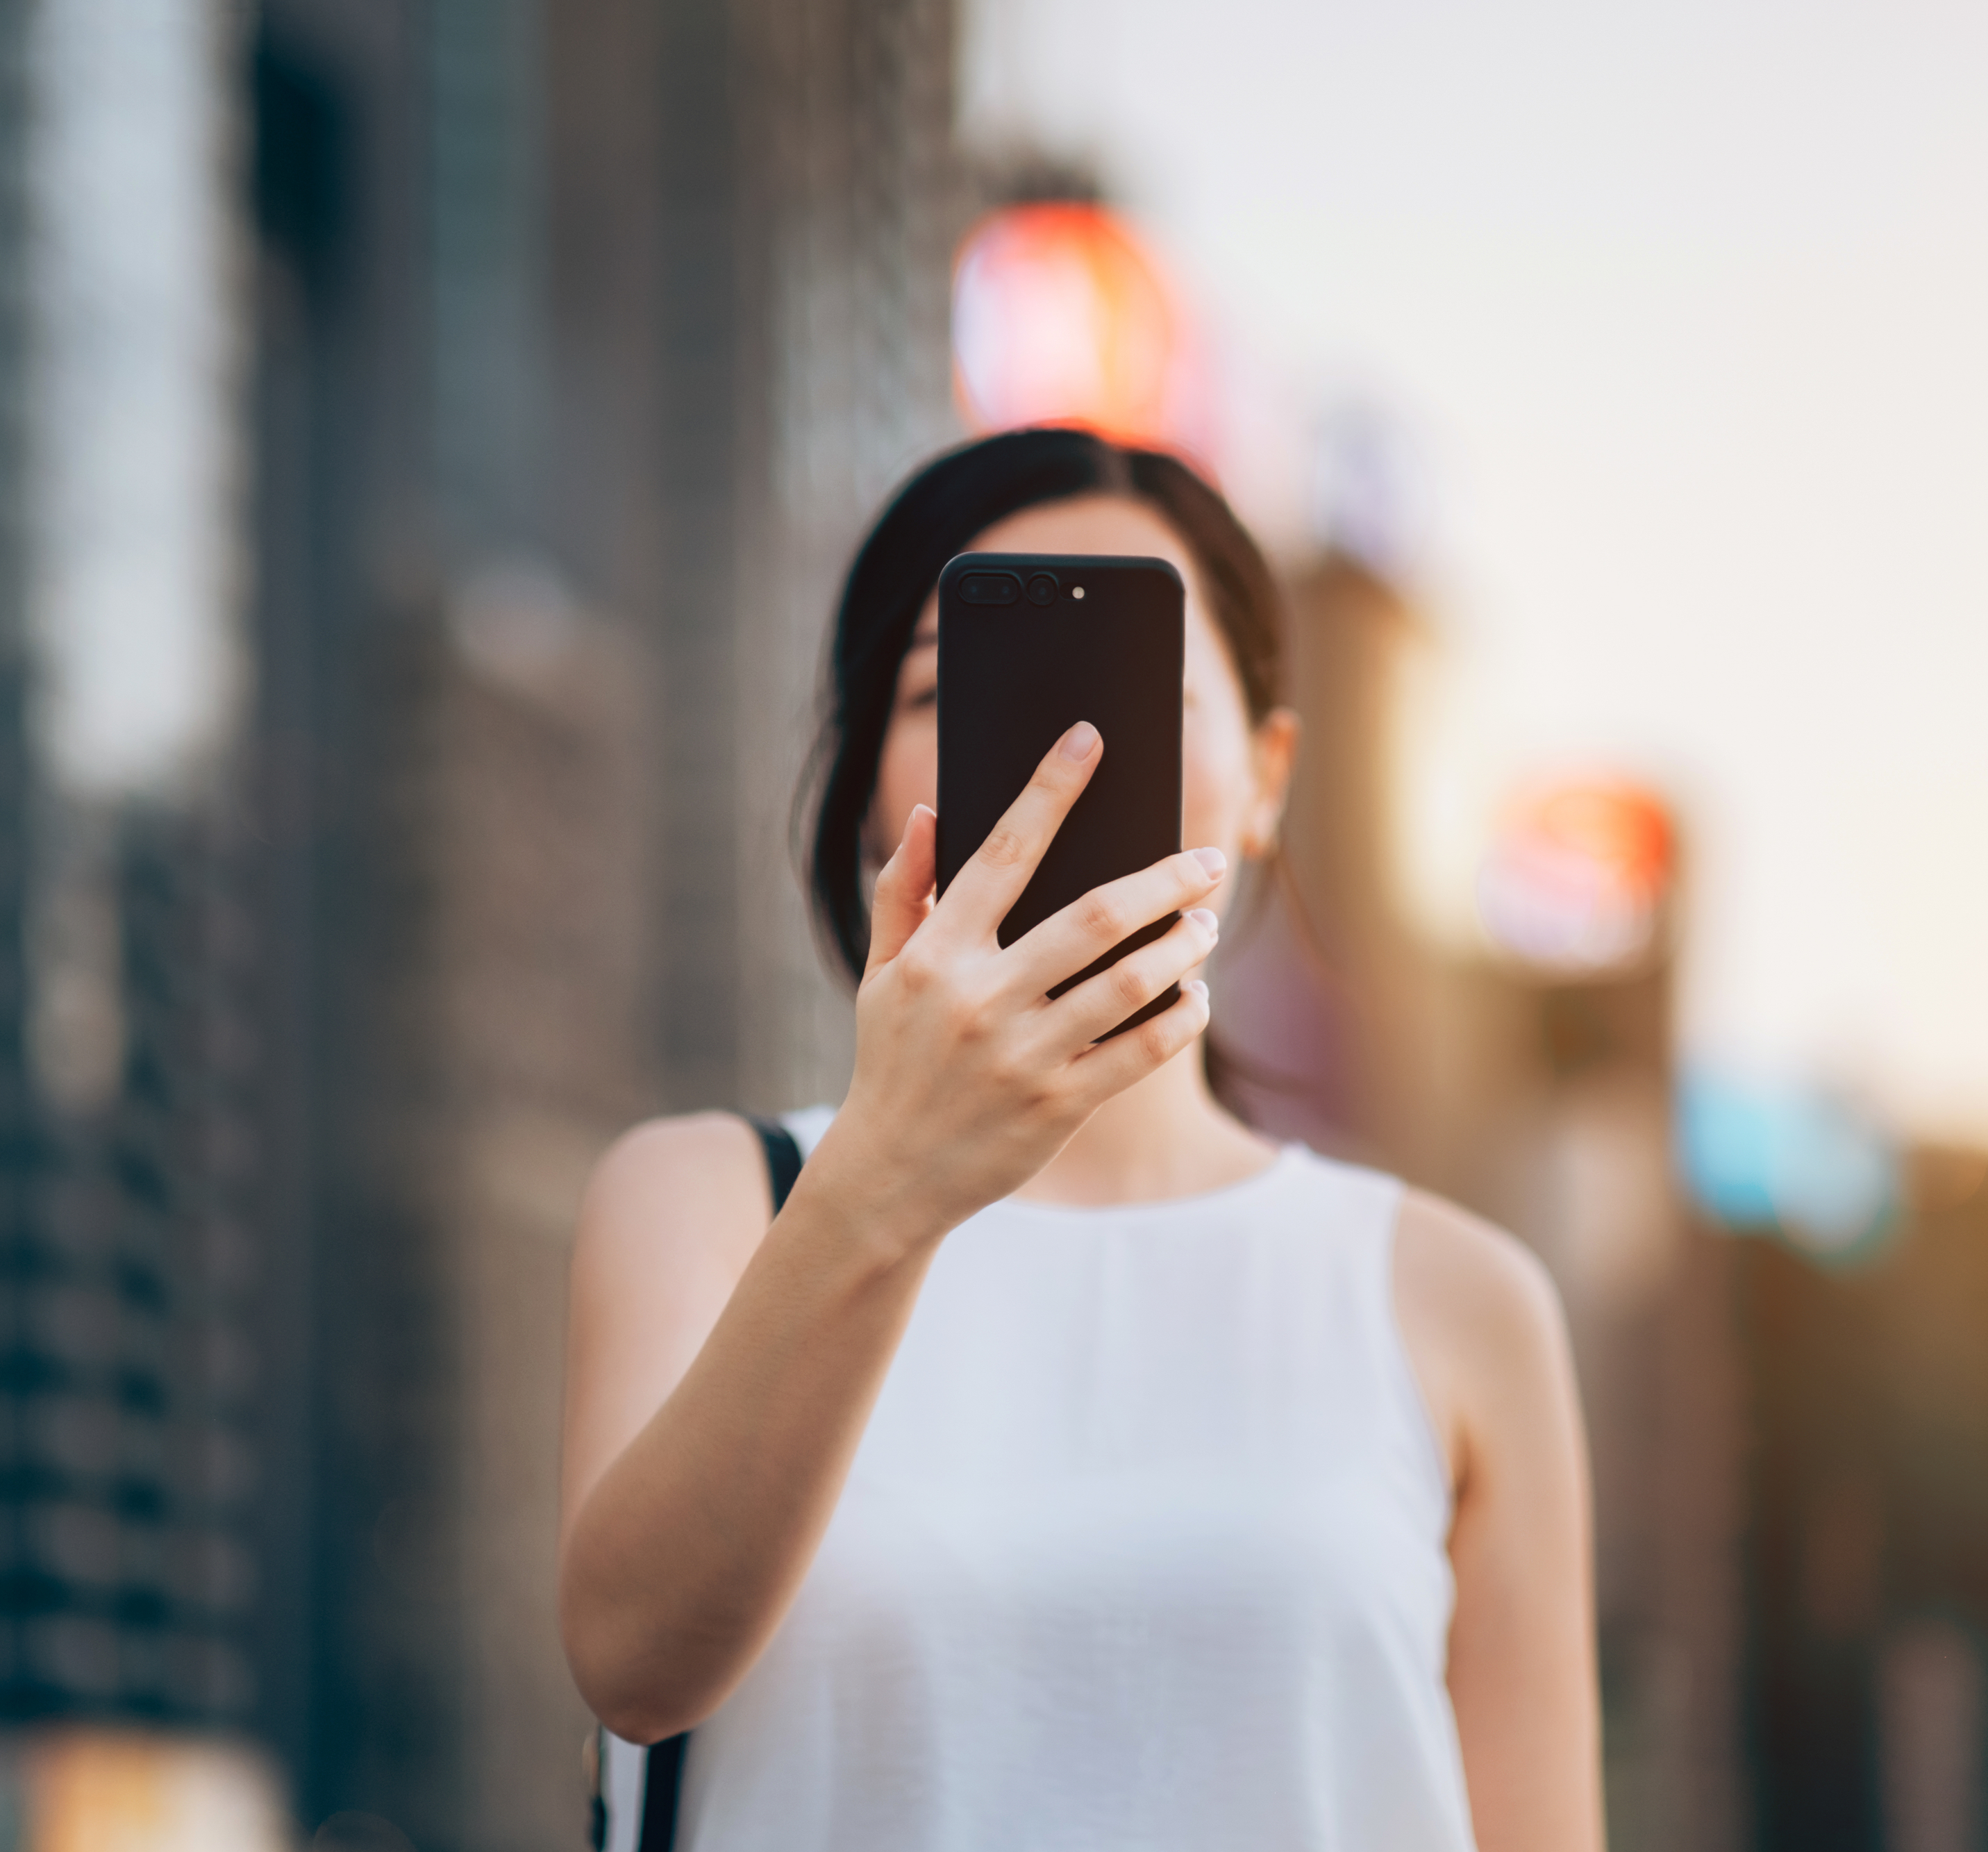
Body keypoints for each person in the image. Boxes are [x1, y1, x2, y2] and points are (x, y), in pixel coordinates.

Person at [558, 426, 1603, 1851]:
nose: (1063, 749)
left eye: (1137, 691)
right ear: (867, 779)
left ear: (1267, 773)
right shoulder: (710, 1197)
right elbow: (629, 1660)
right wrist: (887, 1177)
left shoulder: (1456, 1295)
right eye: (948, 691)